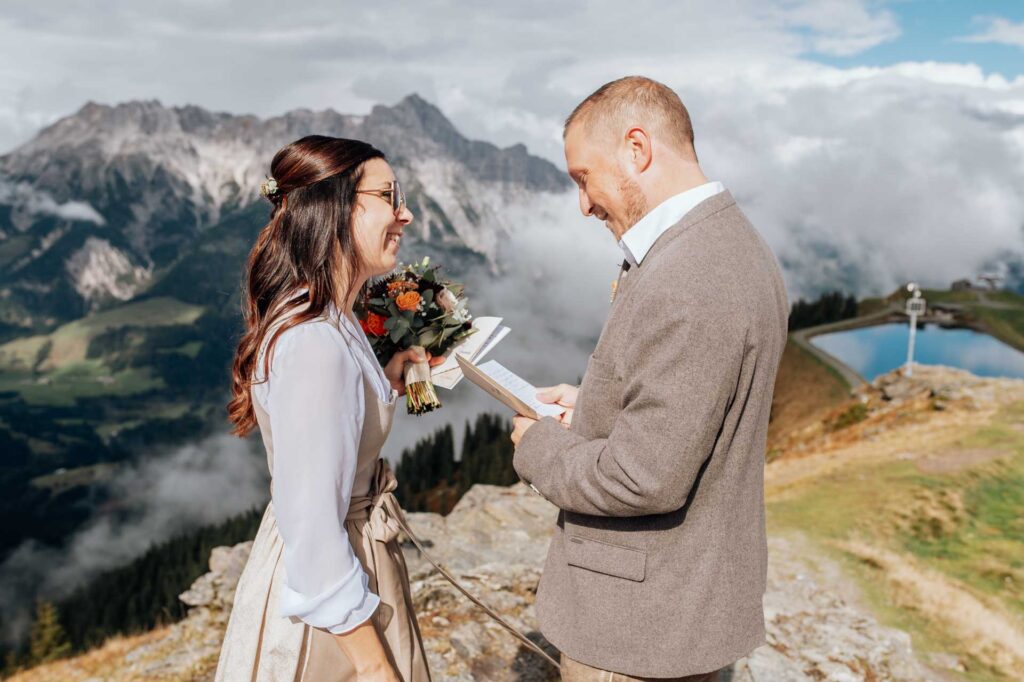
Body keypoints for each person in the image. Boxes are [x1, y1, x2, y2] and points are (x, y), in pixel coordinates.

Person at [510, 76, 789, 681]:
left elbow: (642, 480)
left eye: (583, 177)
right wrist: (595, 406)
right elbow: (696, 407)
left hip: (635, 630)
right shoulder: (730, 241)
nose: (583, 204)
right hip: (682, 607)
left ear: (636, 149)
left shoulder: (690, 275)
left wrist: (537, 447)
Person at [217, 135, 437, 681]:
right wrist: (374, 668)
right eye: (389, 196)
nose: (405, 214)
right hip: (332, 597)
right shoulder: (316, 341)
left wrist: (379, 381)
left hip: (350, 560)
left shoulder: (329, 316)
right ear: (336, 206)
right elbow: (314, 533)